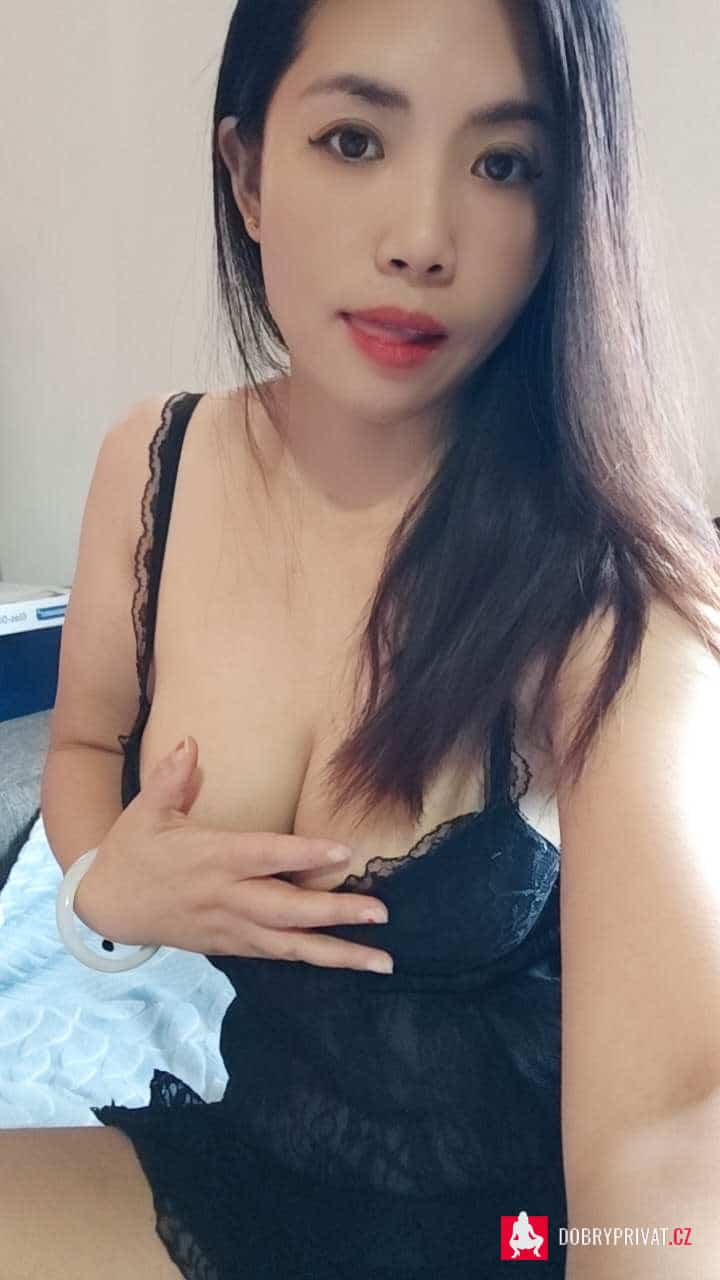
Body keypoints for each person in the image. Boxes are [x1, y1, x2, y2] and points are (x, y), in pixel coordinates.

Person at [5, 0, 720, 1277]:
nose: (423, 240)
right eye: (354, 140)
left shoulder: (613, 588)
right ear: (247, 175)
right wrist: (101, 885)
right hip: (256, 1153)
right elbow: (84, 739)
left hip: (516, 1231)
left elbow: (665, 1136)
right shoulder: (155, 464)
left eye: (504, 163)